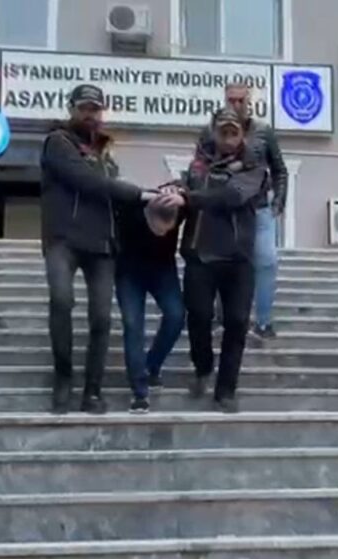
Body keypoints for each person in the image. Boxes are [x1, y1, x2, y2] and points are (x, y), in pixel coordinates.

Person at [39, 83, 158, 415]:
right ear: (72, 109)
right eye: (84, 108)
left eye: (95, 109)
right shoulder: (57, 142)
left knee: (102, 318)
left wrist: (160, 201)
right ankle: (63, 377)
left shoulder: (106, 154)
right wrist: (139, 194)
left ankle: (92, 390)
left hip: (102, 244)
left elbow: (112, 196)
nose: (90, 115)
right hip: (63, 239)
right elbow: (86, 182)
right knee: (61, 300)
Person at [157, 108, 267, 413]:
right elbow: (185, 194)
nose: (228, 137)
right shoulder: (198, 166)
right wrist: (174, 191)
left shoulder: (255, 167)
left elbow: (232, 196)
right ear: (214, 132)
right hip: (200, 255)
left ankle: (226, 391)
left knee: (237, 322)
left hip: (239, 259)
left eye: (234, 131)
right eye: (223, 131)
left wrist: (188, 197)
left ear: (242, 135)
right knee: (198, 317)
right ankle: (203, 367)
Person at [194, 83, 288, 338]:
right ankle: (221, 317)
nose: (235, 105)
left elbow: (279, 169)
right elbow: (199, 165)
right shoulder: (210, 131)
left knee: (266, 260)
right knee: (221, 260)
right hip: (224, 208)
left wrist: (278, 202)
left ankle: (263, 322)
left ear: (249, 103)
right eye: (231, 100)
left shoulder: (263, 132)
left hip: (258, 207)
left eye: (240, 100)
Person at [114, 187, 186, 415]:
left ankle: (152, 365)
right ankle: (139, 392)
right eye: (157, 230)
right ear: (147, 215)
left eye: (168, 231)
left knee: (176, 315)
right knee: (133, 325)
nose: (162, 234)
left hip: (163, 268)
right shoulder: (130, 211)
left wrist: (181, 190)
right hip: (129, 271)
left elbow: (195, 189)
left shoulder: (177, 209)